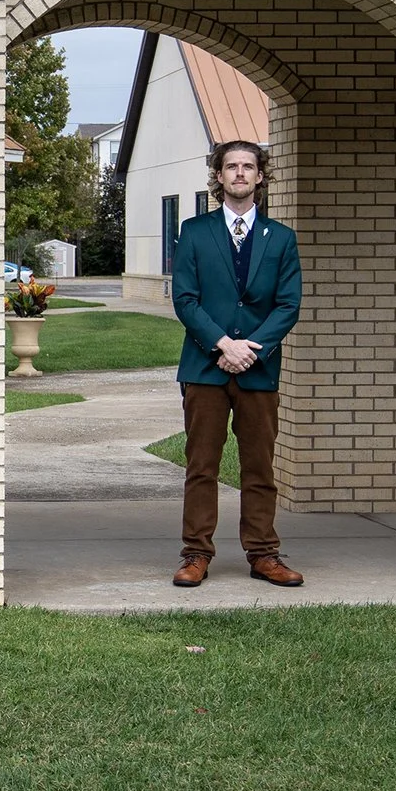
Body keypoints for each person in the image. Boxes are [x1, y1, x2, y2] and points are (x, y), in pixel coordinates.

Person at [170, 139, 303, 587]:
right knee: (201, 467)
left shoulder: (281, 238)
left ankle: (264, 554)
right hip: (204, 368)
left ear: (260, 176)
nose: (240, 173)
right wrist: (223, 344)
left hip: (259, 369)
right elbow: (185, 300)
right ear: (219, 176)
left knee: (260, 468)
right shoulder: (193, 231)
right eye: (232, 167)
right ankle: (195, 554)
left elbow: (288, 305)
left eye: (249, 166)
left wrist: (251, 348)